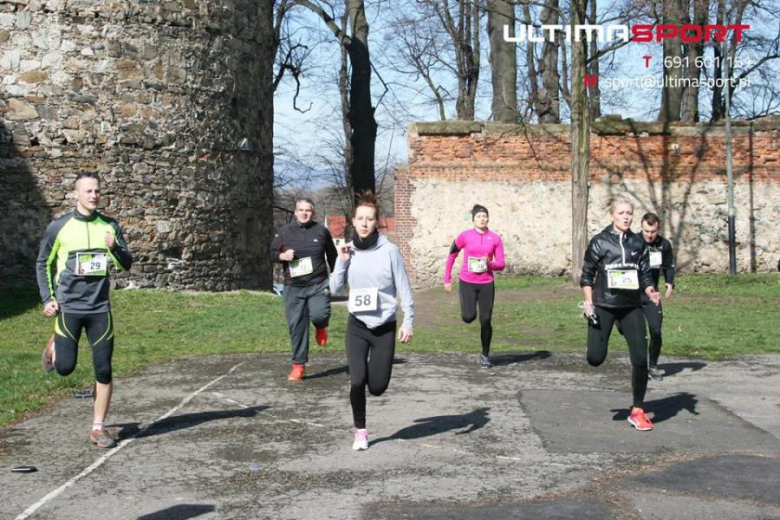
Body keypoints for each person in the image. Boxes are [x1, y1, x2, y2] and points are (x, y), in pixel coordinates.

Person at [36, 172, 133, 448]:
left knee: (103, 369)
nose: (94, 196)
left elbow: (126, 263)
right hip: (69, 308)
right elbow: (43, 262)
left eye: (97, 191)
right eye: (88, 191)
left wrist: (114, 248)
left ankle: (98, 428)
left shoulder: (110, 226)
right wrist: (47, 299)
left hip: (99, 308)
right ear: (76, 194)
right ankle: (55, 345)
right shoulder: (60, 226)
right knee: (65, 368)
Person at [330, 191, 413, 451]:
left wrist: (408, 321)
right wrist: (341, 262)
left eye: (370, 219)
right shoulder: (347, 250)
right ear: (353, 222)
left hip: (384, 327)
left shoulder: (390, 251)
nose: (365, 223)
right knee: (356, 381)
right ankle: (361, 431)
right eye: (360, 218)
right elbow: (334, 288)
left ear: (376, 222)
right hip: (357, 326)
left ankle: (372, 374)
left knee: (376, 386)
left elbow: (404, 288)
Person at [580, 198, 660, 431]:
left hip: (631, 306)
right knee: (595, 358)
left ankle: (637, 410)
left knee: (639, 358)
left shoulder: (638, 243)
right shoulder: (600, 242)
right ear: (612, 215)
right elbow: (586, 275)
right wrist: (588, 301)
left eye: (629, 213)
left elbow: (645, 274)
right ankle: (599, 332)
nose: (626, 217)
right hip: (604, 305)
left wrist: (650, 290)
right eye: (621, 213)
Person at [270, 198, 337, 381]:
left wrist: (338, 277)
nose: (304, 213)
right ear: (295, 212)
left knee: (319, 314)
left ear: (313, 213)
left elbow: (333, 256)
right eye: (301, 210)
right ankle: (299, 365)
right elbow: (272, 253)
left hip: (318, 283)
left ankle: (321, 326)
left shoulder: (321, 231)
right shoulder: (285, 231)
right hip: (293, 286)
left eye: (308, 210)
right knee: (296, 327)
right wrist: (282, 255)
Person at [443, 204, 505, 367]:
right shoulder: (464, 236)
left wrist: (489, 264)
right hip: (467, 283)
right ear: (473, 220)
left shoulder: (495, 238)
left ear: (488, 219)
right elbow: (451, 256)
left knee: (486, 320)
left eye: (484, 216)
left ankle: (485, 354)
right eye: (479, 216)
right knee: (468, 317)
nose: (482, 219)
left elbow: (501, 263)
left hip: (486, 284)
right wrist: (447, 279)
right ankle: (468, 310)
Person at [640, 213, 676, 381]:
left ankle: (652, 365)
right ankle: (638, 365)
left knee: (655, 331)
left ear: (658, 229)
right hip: (632, 294)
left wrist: (669, 282)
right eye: (646, 231)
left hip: (652, 295)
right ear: (641, 227)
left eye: (653, 231)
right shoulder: (632, 242)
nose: (649, 235)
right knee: (633, 332)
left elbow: (669, 265)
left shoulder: (664, 245)